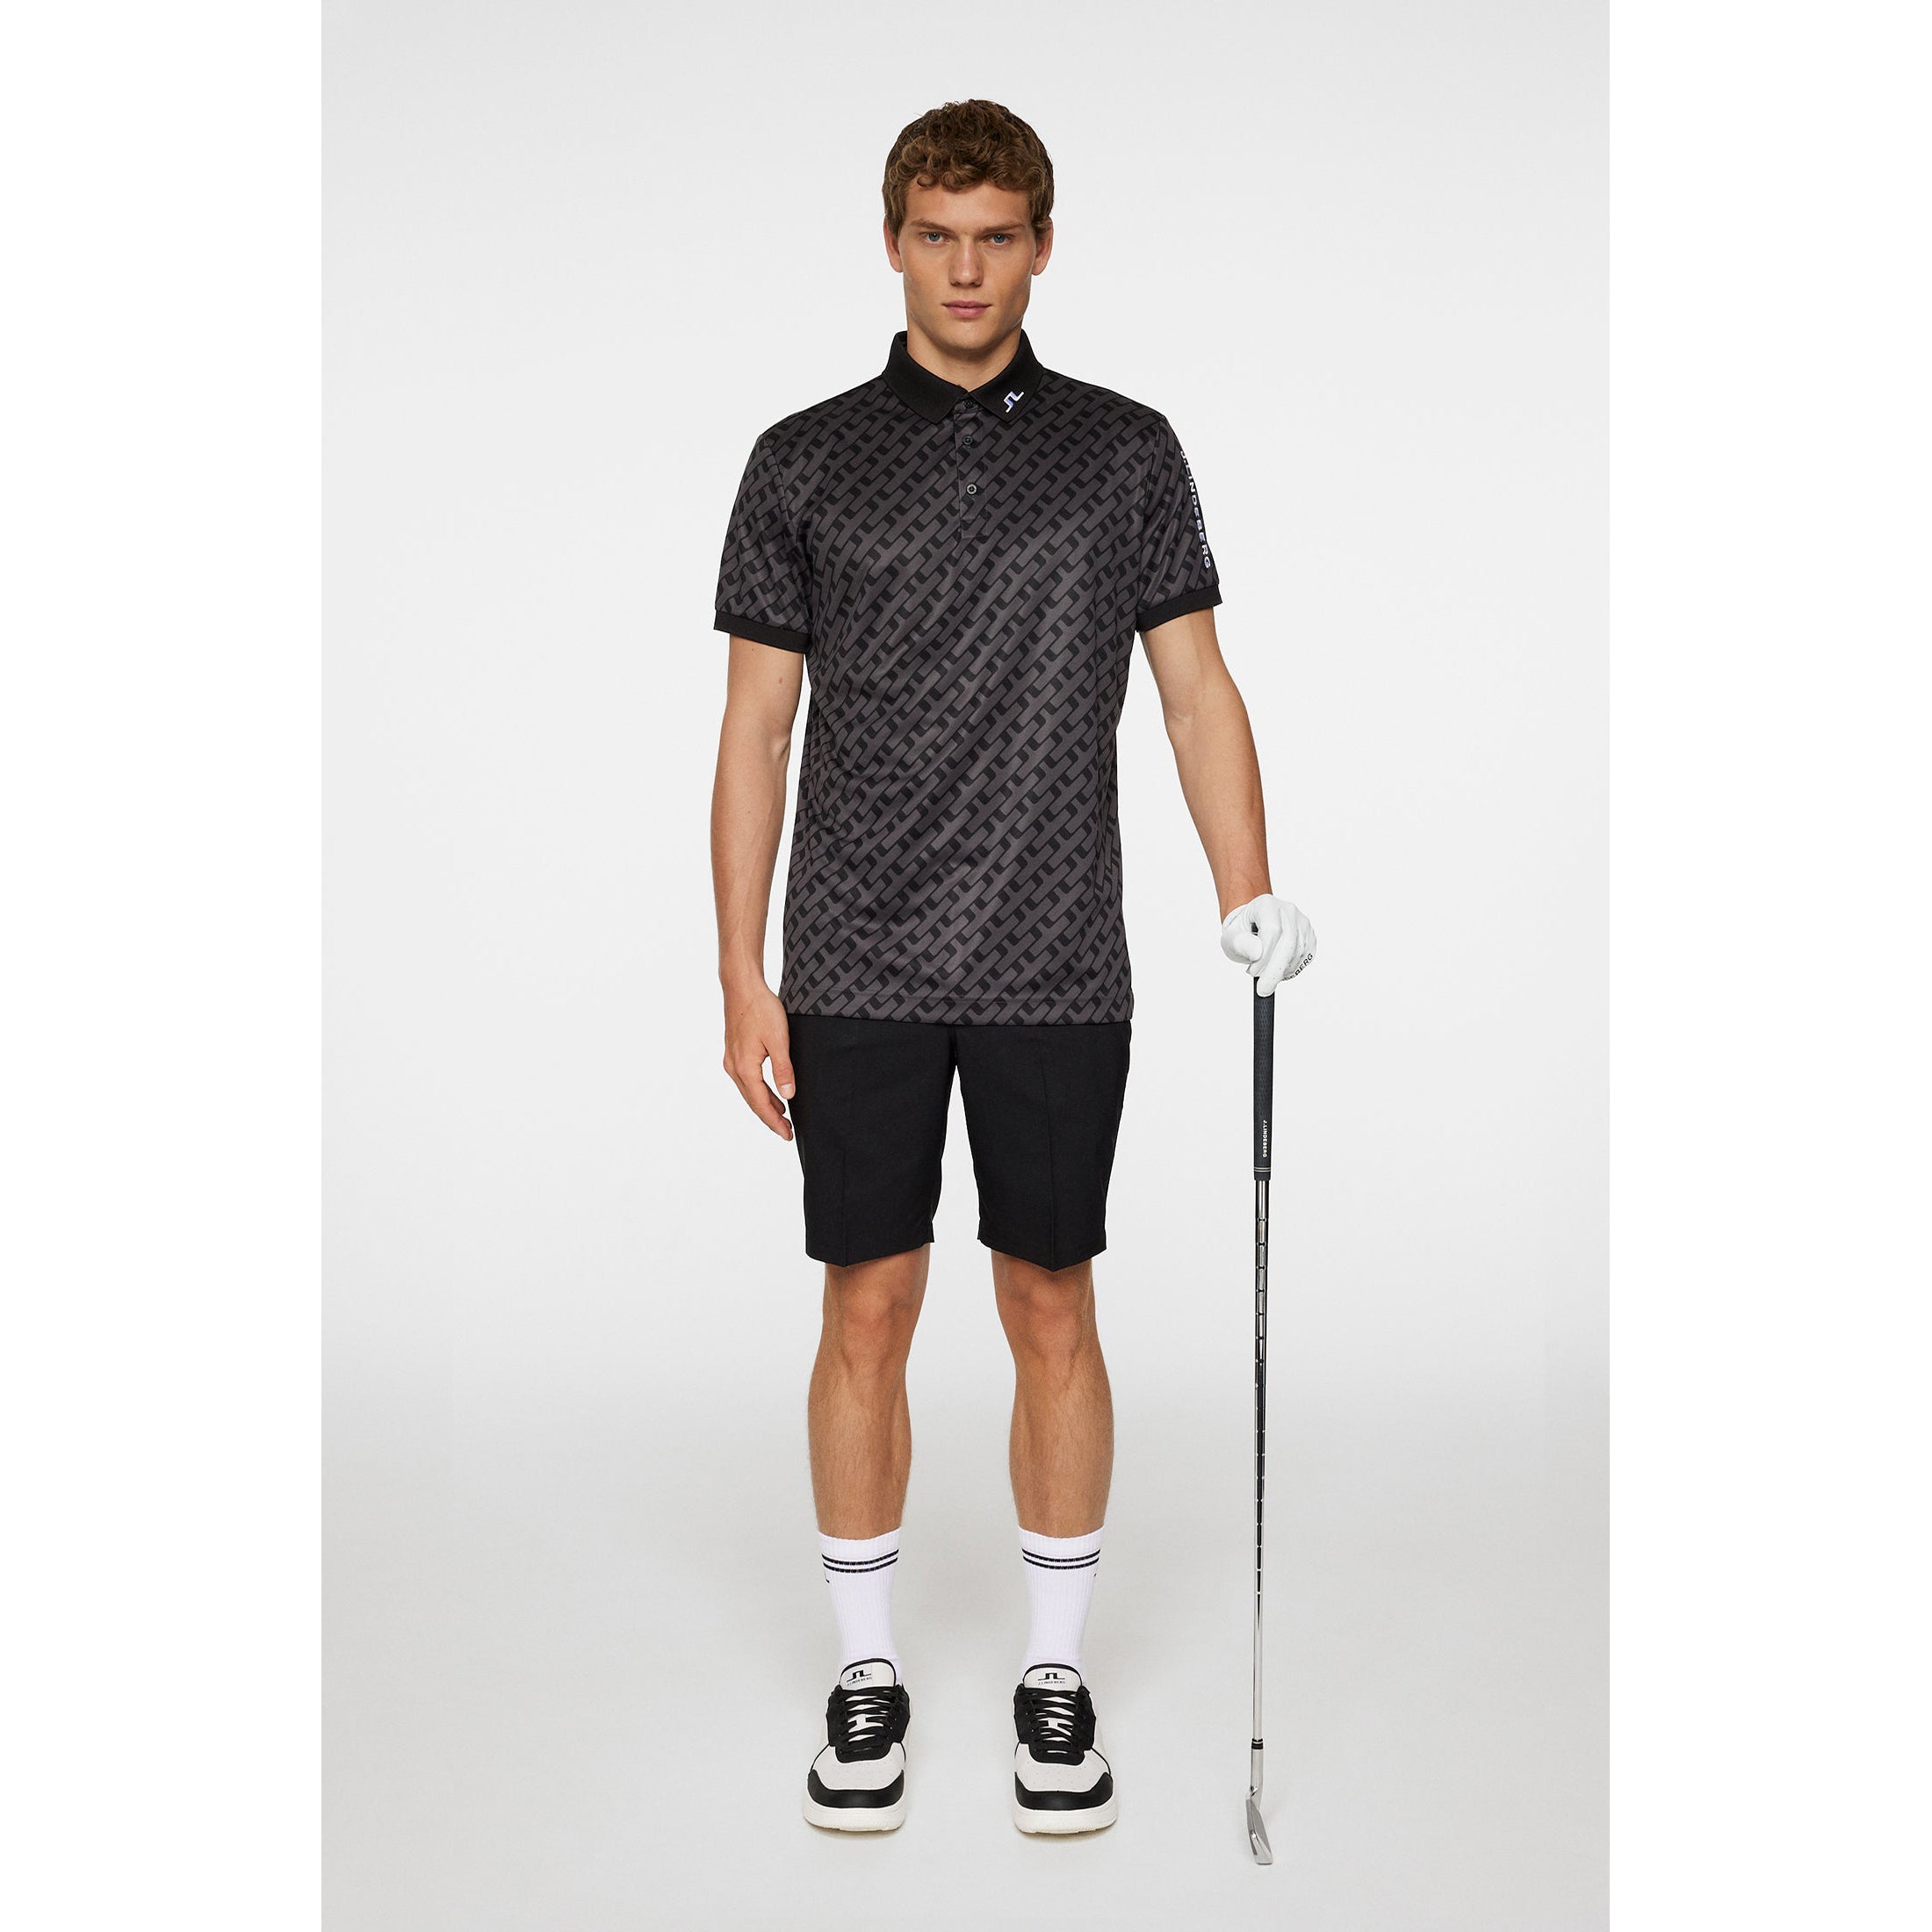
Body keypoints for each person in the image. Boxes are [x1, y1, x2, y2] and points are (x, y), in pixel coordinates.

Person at [708, 98, 1315, 1836]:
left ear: (1041, 245)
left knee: (1051, 1300)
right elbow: (755, 731)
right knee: (868, 1305)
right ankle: (865, 1672)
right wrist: (742, 975)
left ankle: (1054, 1670)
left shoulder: (1124, 453)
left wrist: (1249, 888)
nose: (965, 271)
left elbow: (1193, 690)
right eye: (936, 237)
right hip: (856, 952)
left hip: (1056, 953)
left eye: (995, 238)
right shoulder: (803, 459)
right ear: (892, 243)